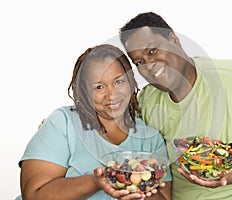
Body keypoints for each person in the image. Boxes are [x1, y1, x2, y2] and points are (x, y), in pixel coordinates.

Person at [118, 12, 232, 199]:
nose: (149, 65)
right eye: (139, 62)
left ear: (174, 40)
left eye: (152, 51)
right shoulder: (147, 101)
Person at [16, 44, 171, 200]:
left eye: (119, 82)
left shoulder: (151, 139)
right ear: (83, 91)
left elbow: (163, 197)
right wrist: (97, 181)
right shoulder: (63, 123)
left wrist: (141, 187)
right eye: (99, 87)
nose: (112, 95)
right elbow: (33, 194)